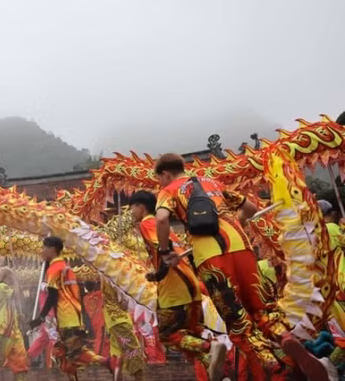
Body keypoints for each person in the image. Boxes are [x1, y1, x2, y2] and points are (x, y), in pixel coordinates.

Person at [153, 153, 326, 381]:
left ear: (165, 173)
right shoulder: (211, 182)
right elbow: (251, 208)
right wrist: (238, 223)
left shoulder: (169, 190)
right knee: (263, 312)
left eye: (160, 179)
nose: (161, 183)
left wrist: (166, 252)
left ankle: (277, 371)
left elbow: (162, 219)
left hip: (211, 258)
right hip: (242, 248)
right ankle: (284, 337)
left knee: (239, 324)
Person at [129, 189, 226, 381]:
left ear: (141, 207)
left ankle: (209, 346)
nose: (130, 212)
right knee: (190, 336)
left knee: (167, 334)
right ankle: (219, 376)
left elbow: (165, 250)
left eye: (131, 208)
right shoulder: (168, 230)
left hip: (175, 289)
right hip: (192, 286)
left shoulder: (149, 222)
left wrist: (158, 275)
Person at [30, 237, 109, 379]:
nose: (41, 251)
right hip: (71, 317)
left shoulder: (54, 269)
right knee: (64, 356)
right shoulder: (66, 267)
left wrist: (40, 318)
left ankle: (107, 362)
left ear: (52, 249)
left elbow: (52, 297)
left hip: (66, 318)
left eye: (43, 247)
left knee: (76, 353)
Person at [0, 267, 29, 381]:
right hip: (4, 330)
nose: (12, 279)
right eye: (10, 277)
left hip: (14, 331)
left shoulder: (6, 289)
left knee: (20, 359)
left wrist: (18, 316)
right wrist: (17, 282)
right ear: (6, 277)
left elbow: (9, 307)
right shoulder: (1, 287)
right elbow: (17, 294)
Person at [100, 278, 145, 381]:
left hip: (115, 319)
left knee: (118, 356)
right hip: (119, 319)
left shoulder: (107, 270)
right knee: (132, 350)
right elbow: (124, 303)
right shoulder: (114, 272)